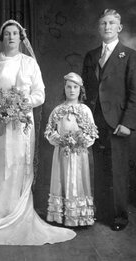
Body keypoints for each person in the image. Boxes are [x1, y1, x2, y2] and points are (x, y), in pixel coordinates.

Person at [0, 20, 76, 245]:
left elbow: (40, 94)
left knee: (18, 165)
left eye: (15, 34)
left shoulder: (29, 63)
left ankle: (17, 213)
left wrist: (21, 102)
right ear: (1, 38)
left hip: (21, 124)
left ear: (21, 38)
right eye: (7, 34)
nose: (11, 37)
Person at [81, 9, 136, 231]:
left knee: (117, 170)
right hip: (95, 121)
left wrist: (127, 123)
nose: (107, 27)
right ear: (99, 28)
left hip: (118, 121)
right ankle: (101, 211)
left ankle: (119, 217)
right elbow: (85, 90)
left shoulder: (129, 55)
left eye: (111, 23)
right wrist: (83, 118)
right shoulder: (91, 56)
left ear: (119, 28)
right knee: (99, 168)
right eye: (103, 23)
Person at [44, 72, 98, 227]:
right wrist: (60, 140)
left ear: (80, 90)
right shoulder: (58, 110)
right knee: (61, 179)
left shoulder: (85, 110)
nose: (72, 90)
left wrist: (80, 140)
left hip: (79, 154)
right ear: (64, 88)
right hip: (61, 153)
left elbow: (91, 133)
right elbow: (49, 131)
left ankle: (78, 217)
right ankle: (60, 216)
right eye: (69, 87)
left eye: (75, 87)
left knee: (78, 180)